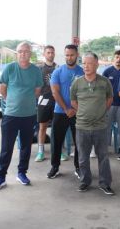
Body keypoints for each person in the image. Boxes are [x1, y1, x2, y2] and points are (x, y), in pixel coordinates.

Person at [0, 42, 43, 190]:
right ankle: (1, 177)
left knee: (26, 147)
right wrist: (14, 102)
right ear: (17, 53)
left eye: (26, 51)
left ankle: (22, 173)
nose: (23, 54)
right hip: (11, 116)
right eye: (20, 51)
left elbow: (37, 90)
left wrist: (25, 101)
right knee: (6, 148)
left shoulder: (35, 71)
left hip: (29, 115)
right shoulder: (10, 68)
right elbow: (2, 90)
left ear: (30, 54)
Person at [70, 52, 114, 195]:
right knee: (83, 157)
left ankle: (105, 183)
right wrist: (84, 113)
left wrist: (100, 112)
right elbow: (73, 102)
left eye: (89, 63)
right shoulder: (77, 83)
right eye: (84, 63)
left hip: (100, 127)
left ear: (96, 65)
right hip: (82, 127)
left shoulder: (105, 82)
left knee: (103, 157)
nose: (86, 66)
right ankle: (85, 181)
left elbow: (109, 100)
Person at [47, 44, 84, 179]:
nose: (69, 57)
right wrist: (66, 108)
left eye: (72, 55)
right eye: (67, 55)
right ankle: (55, 167)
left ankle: (79, 167)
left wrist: (75, 109)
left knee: (79, 141)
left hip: (78, 113)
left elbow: (85, 94)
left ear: (77, 55)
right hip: (60, 111)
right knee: (56, 141)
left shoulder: (82, 72)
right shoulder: (58, 71)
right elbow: (55, 92)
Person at [103, 50, 120, 153]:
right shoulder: (107, 71)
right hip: (109, 105)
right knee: (106, 127)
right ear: (114, 58)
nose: (118, 59)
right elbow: (102, 88)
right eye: (117, 57)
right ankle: (104, 147)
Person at [35, 45, 58, 162]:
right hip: (43, 100)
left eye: (52, 52)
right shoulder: (39, 68)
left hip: (57, 100)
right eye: (48, 52)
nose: (50, 54)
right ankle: (40, 152)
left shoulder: (58, 68)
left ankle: (59, 151)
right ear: (44, 54)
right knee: (42, 126)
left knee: (57, 127)